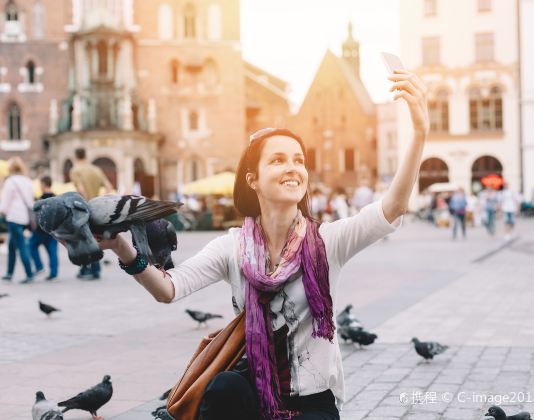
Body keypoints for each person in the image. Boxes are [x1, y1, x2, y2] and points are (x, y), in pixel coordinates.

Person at [93, 70, 429, 419]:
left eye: (299, 160)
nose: (292, 168)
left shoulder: (327, 242)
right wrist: (121, 247)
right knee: (223, 388)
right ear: (252, 179)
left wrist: (419, 134)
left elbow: (393, 207)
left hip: (312, 401)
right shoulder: (234, 247)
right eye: (278, 160)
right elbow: (168, 289)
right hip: (254, 392)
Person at [69, 147, 113, 279]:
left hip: (83, 208)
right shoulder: (96, 170)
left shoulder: (75, 170)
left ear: (76, 156)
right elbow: (109, 187)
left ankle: (88, 269)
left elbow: (81, 189)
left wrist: (86, 203)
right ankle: (92, 269)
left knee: (82, 240)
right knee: (93, 239)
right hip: (96, 208)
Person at [0, 157, 35, 283]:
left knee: (21, 246)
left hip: (13, 217)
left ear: (10, 168)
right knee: (12, 246)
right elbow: (31, 202)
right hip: (25, 218)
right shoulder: (28, 181)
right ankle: (9, 273)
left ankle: (29, 274)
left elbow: (5, 202)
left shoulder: (10, 182)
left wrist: (2, 211)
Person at [28, 176, 58, 281]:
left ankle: (39, 266)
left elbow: (36, 215)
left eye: (40, 184)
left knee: (30, 245)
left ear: (44, 184)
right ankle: (54, 274)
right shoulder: (56, 198)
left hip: (41, 230)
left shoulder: (40, 199)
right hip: (54, 230)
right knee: (52, 252)